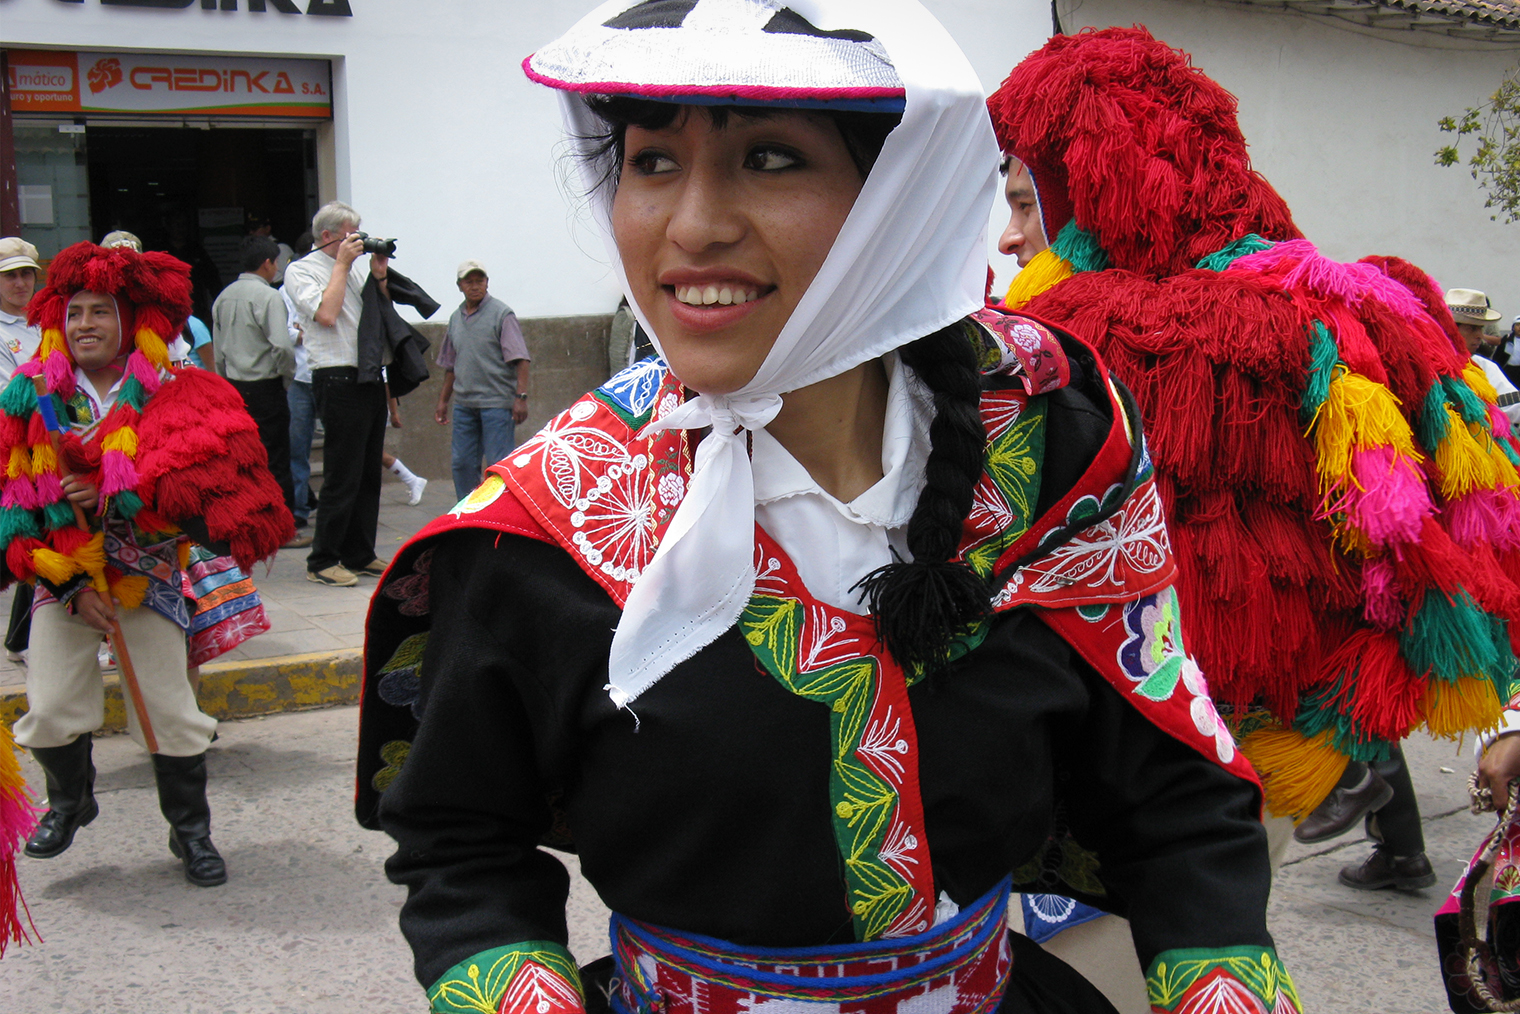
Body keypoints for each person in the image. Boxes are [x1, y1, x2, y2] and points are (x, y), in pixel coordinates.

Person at [356, 4, 1297, 1013]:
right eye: (652, 162)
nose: (693, 226)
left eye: (767, 159)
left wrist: (1219, 979)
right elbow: (459, 838)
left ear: (900, 199)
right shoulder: (547, 525)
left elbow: (1169, 797)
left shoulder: (1052, 438)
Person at [989, 27, 1520, 852]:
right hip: (1257, 765)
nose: (1010, 235)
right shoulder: (1332, 312)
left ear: (1089, 192)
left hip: (1146, 773)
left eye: (1029, 204)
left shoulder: (1086, 337)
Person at [3, 241, 291, 886]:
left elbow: (205, 495)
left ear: (128, 320)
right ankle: (73, 802)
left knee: (169, 711)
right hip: (62, 578)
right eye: (75, 311)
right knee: (47, 707)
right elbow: (15, 499)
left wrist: (118, 490)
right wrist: (75, 585)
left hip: (150, 574)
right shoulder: (31, 396)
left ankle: (191, 834)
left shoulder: (174, 392)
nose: (85, 325)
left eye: (100, 311)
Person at [282, 201, 391, 588]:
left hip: (368, 372)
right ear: (327, 236)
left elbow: (379, 318)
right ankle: (323, 559)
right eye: (350, 234)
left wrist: (378, 276)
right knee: (342, 474)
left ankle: (359, 552)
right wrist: (342, 265)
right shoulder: (301, 271)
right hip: (335, 375)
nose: (356, 241)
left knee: (366, 474)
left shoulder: (357, 267)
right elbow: (327, 314)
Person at [213, 235, 301, 544]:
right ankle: (283, 527)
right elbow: (282, 346)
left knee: (244, 459)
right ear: (267, 263)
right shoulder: (268, 297)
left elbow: (219, 351)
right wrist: (286, 378)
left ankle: (248, 521)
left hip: (235, 386)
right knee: (276, 456)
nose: (276, 268)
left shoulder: (223, 297)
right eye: (275, 262)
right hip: (266, 385)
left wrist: (226, 385)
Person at [433, 260, 531, 500]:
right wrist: (443, 401)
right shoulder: (456, 318)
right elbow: (450, 365)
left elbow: (521, 359)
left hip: (496, 403)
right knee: (462, 463)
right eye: (469, 281)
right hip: (465, 404)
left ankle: (500, 513)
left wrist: (520, 397)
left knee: (499, 465)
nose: (475, 286)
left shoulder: (501, 314)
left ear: (487, 283)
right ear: (460, 286)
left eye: (480, 281)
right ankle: (467, 512)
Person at [0, 238, 43, 666]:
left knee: (46, 531)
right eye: (9, 275)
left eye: (25, 273)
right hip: (14, 449)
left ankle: (20, 637)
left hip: (51, 443)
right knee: (31, 534)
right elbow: (10, 393)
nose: (19, 283)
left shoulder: (48, 322)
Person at [283, 230, 317, 533]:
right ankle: (299, 506)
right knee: (298, 445)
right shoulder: (285, 290)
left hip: (328, 373)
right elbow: (285, 331)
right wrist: (301, 332)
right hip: (300, 376)